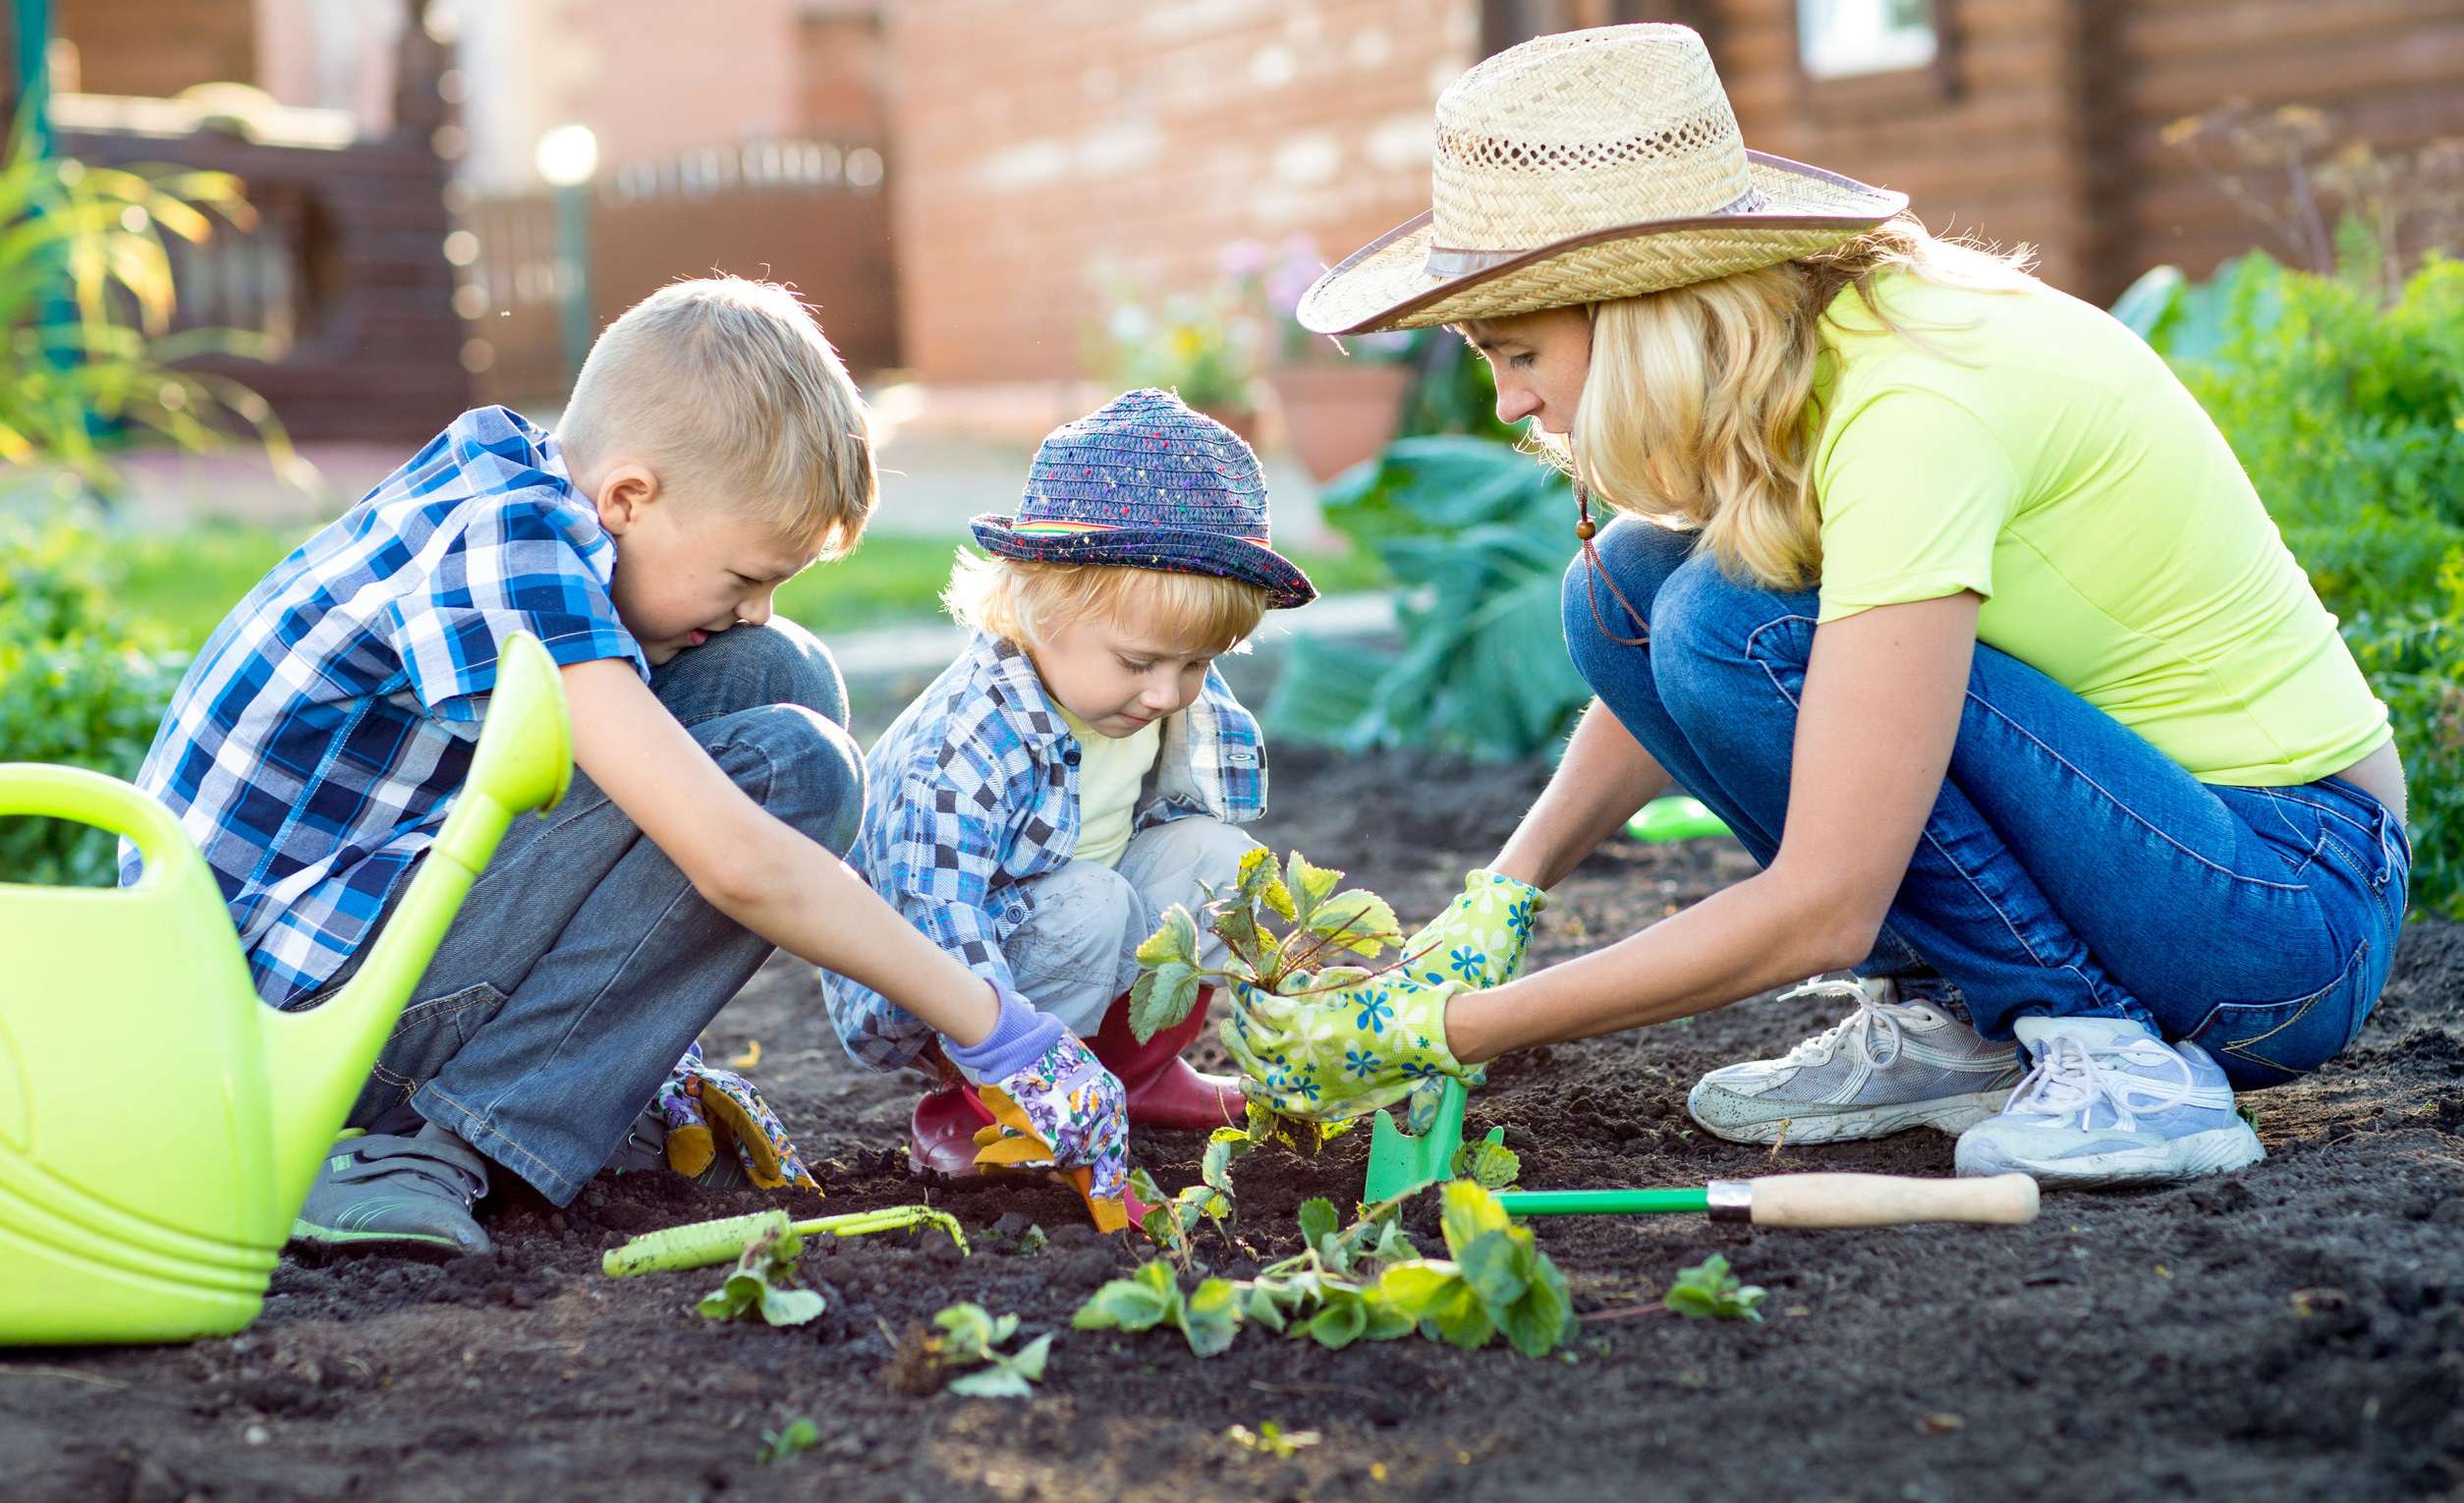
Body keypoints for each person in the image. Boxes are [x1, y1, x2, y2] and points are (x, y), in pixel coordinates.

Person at [1224, 24, 2408, 1188]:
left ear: (1643, 321)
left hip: (2282, 912)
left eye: (1520, 353)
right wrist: (1507, 891)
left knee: (1731, 629)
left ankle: (2113, 1062)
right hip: (2176, 857)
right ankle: (1963, 1019)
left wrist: (1461, 1028)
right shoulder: (1817, 345)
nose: (1505, 403)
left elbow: (1823, 908)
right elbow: (1654, 656)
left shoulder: (1912, 409)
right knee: (1627, 594)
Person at [128, 277, 1125, 1253]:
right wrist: (999, 1033)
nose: (754, 605)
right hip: (274, 1036)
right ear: (630, 497)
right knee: (789, 775)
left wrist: (645, 1048)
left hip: (352, 943)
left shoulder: (531, 497)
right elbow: (736, 859)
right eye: (745, 576)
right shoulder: (502, 548)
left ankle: (576, 1092)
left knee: (774, 674)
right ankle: (426, 1146)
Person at [827, 389, 1316, 1178]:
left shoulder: (1147, 686)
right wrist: (997, 1047)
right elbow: (935, 919)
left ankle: (1138, 1075)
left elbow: (1196, 854)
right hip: (959, 973)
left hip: (1083, 917)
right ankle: (994, 1106)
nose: (1167, 693)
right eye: (1140, 663)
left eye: (1197, 663)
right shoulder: (964, 741)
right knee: (1091, 903)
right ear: (1034, 605)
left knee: (1221, 860)